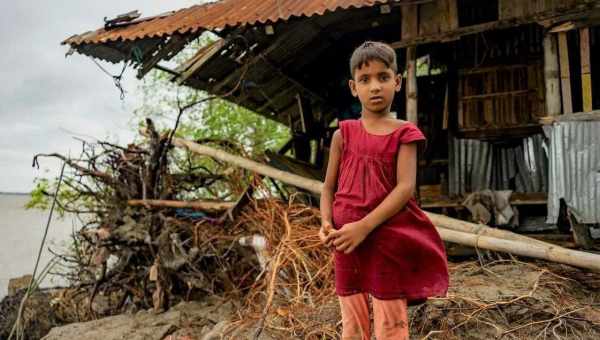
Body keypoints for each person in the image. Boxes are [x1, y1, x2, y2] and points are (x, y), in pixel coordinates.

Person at [319, 41, 449, 340]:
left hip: (385, 239)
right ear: (354, 87)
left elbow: (405, 188)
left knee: (390, 321)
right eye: (365, 80)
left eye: (383, 77)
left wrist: (363, 227)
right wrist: (326, 222)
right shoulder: (343, 134)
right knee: (351, 319)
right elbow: (327, 188)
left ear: (398, 81)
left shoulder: (405, 133)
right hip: (345, 242)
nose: (375, 87)